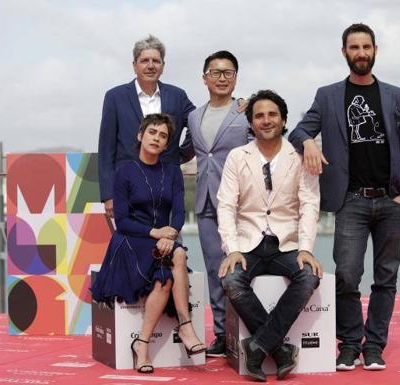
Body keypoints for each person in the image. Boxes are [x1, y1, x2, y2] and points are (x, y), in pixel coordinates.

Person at [288, 23, 400, 371]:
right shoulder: (328, 95)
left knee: (385, 278)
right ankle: (349, 344)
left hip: (392, 201)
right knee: (347, 274)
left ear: (375, 50)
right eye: (354, 47)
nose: (360, 53)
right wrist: (309, 141)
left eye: (366, 47)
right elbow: (299, 129)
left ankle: (374, 346)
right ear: (344, 52)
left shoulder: (396, 95)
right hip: (351, 201)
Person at [218, 90, 323, 382]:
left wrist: (305, 248)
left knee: (309, 276)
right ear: (251, 123)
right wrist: (233, 249)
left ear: (284, 119)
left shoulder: (301, 156)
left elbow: (310, 204)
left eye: (272, 114)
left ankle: (257, 346)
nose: (266, 121)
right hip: (247, 242)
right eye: (259, 116)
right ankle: (279, 350)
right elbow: (226, 205)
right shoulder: (237, 157)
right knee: (230, 279)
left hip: (287, 244)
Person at [91, 114, 206, 374]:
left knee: (166, 274)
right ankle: (185, 327)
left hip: (163, 240)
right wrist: (157, 233)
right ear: (141, 136)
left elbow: (178, 212)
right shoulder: (124, 172)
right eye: (153, 132)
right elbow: (122, 221)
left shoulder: (172, 171)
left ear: (167, 145)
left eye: (163, 136)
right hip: (131, 241)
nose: (157, 138)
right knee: (177, 257)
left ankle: (141, 346)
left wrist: (171, 233)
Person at [180, 50, 251, 357]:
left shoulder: (246, 111)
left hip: (242, 203)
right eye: (216, 72)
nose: (222, 78)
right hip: (206, 201)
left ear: (236, 77)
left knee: (245, 268)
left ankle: (248, 331)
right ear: (204, 78)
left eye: (228, 72)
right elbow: (189, 152)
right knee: (214, 270)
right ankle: (222, 333)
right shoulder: (194, 116)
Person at [98, 35, 195, 219]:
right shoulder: (115, 97)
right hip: (127, 187)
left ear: (163, 66)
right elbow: (106, 148)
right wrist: (108, 195)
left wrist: (183, 153)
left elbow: (198, 123)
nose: (150, 65)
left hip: (166, 186)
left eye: (156, 61)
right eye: (144, 60)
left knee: (168, 242)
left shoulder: (177, 95)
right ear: (134, 65)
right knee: (131, 242)